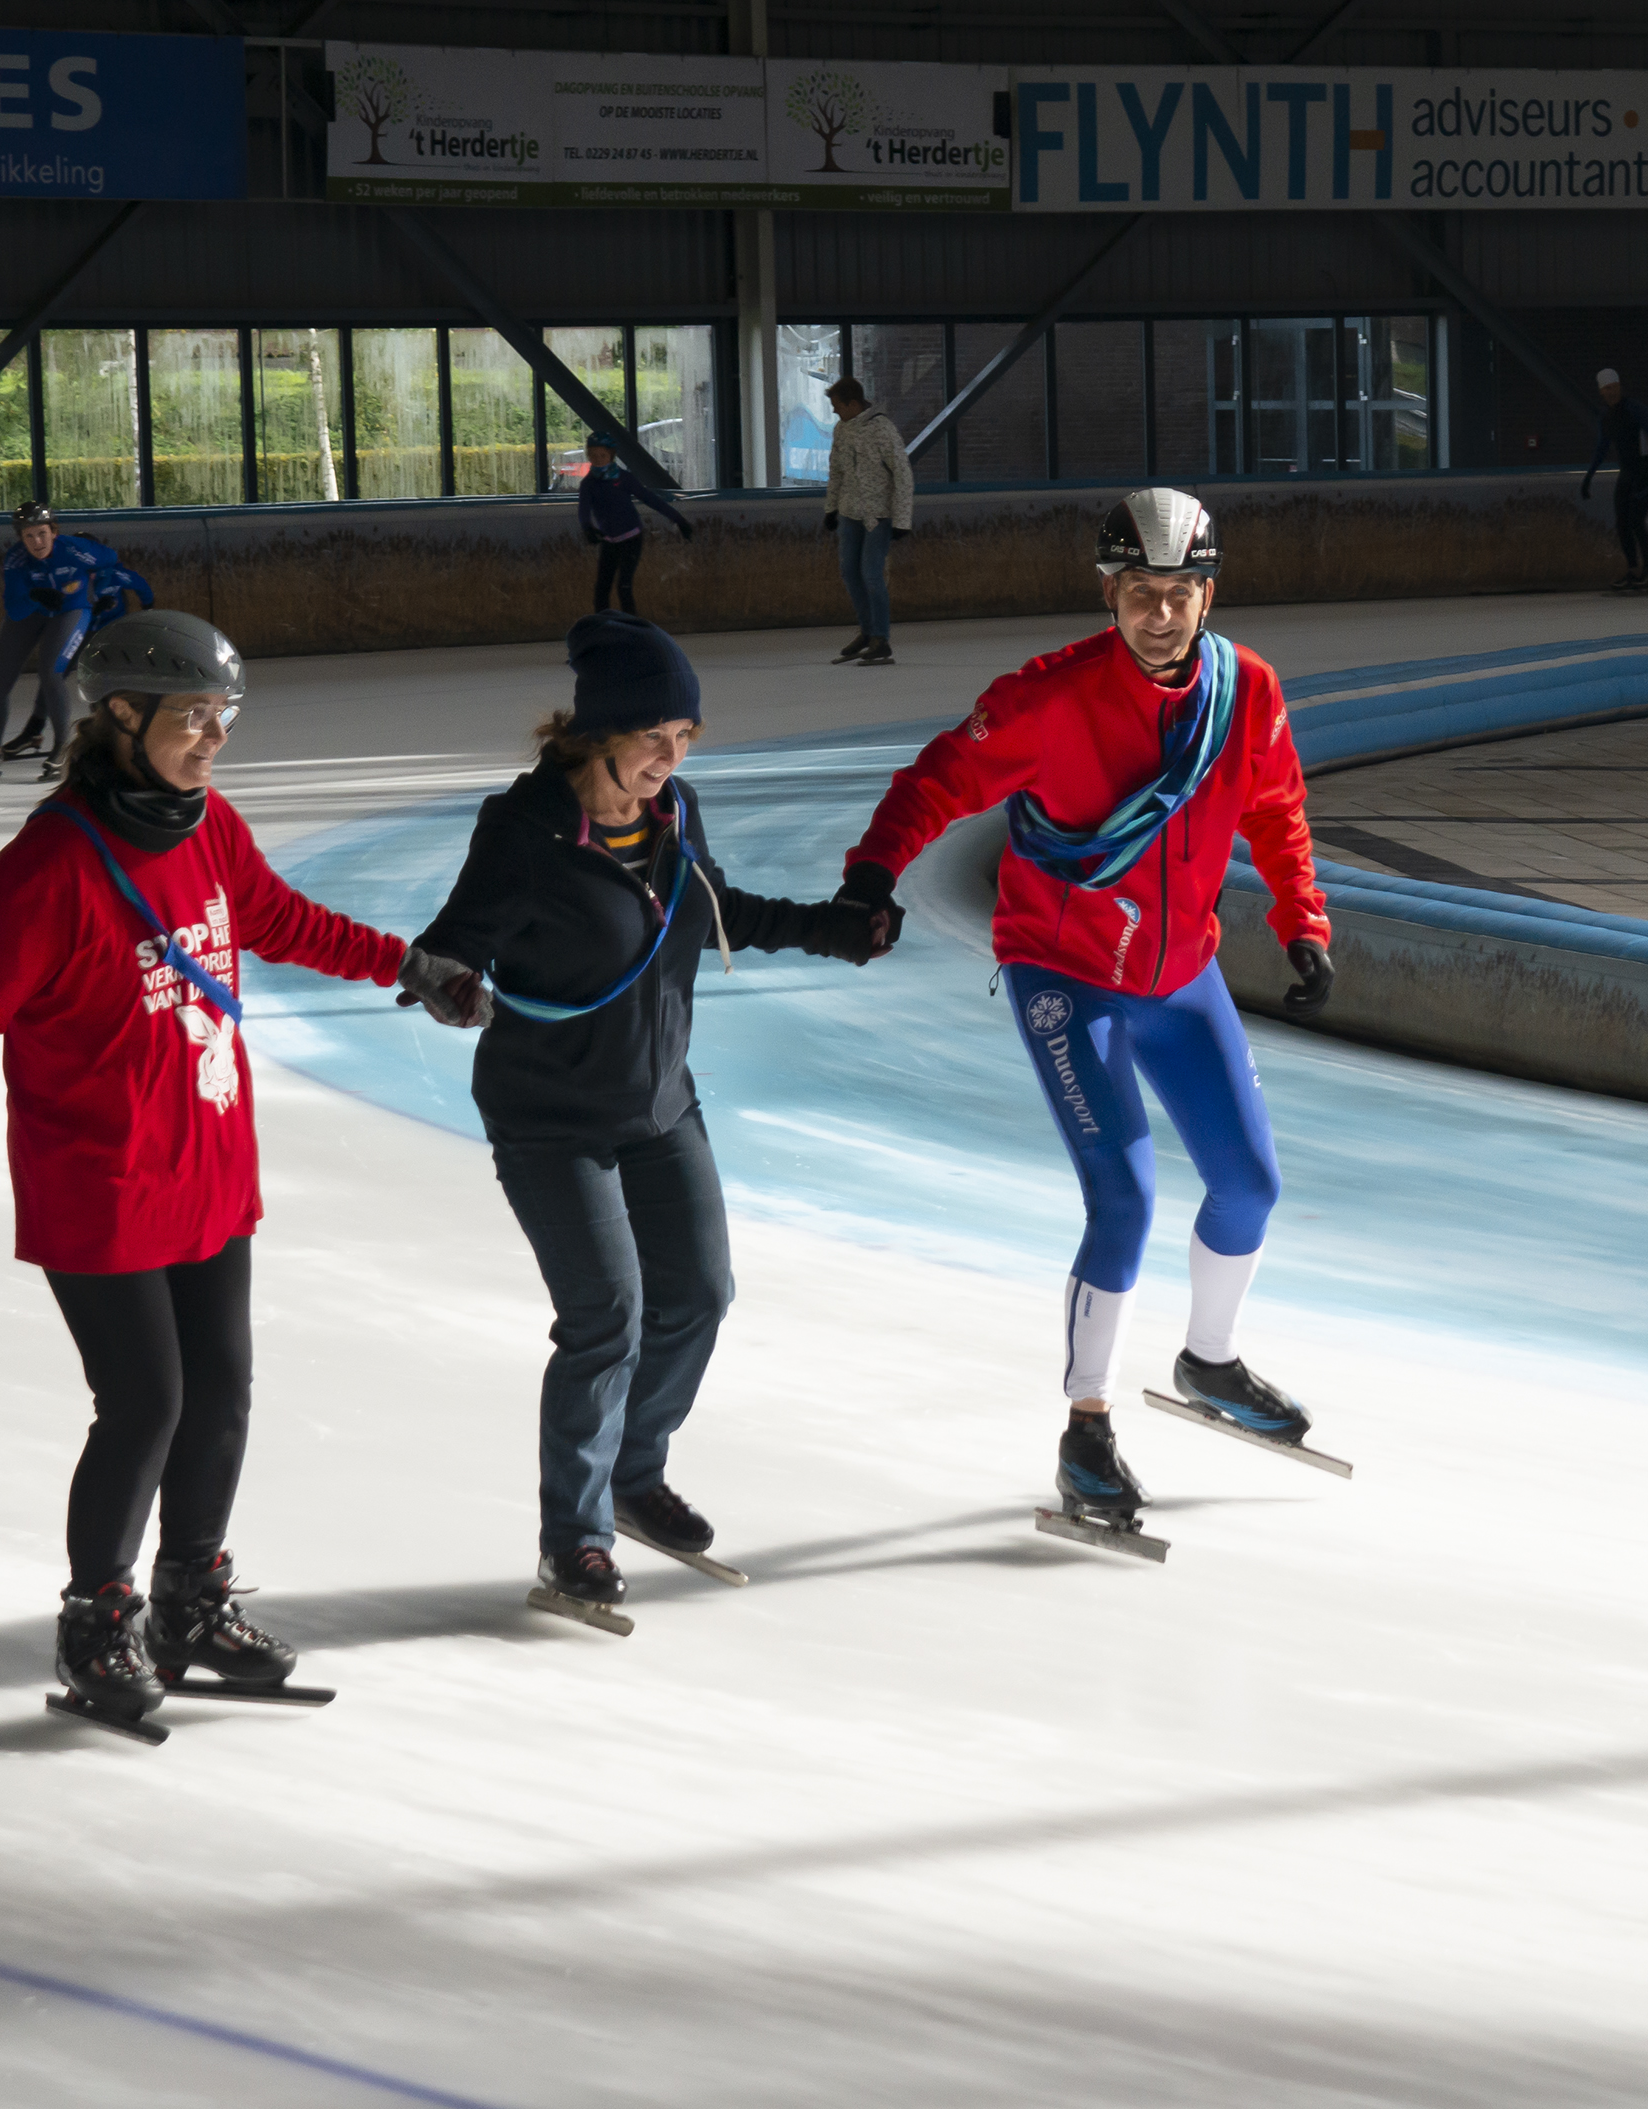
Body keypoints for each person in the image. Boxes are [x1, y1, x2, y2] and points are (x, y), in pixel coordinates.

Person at [0, 609, 491, 1734]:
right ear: (119, 715)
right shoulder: (47, 865)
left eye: (224, 717)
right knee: (144, 1402)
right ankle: (96, 1620)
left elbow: (278, 920)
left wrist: (409, 965)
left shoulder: (207, 828)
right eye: (194, 717)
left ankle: (188, 1602)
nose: (214, 738)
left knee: (221, 1392)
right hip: (97, 1178)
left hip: (204, 1159)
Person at [833, 489, 1335, 1537]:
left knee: (1249, 1182)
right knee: (1125, 1200)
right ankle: (1086, 1427)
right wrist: (870, 875)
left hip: (1177, 973)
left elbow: (1277, 808)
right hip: (1065, 972)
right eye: (1139, 594)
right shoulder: (1046, 700)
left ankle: (1209, 1361)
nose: (1160, 615)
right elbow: (938, 778)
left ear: (1211, 592)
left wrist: (1305, 924)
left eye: (1181, 594)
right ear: (1108, 593)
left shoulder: (1246, 692)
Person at [410, 614, 887, 1621]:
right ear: (596, 736)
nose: (670, 760)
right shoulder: (524, 831)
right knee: (606, 1319)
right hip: (550, 1119)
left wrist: (829, 932)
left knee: (700, 1296)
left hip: (661, 1101)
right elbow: (452, 940)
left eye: (686, 740)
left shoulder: (674, 815)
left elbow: (712, 909)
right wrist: (450, 981)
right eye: (652, 740)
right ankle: (574, 1539)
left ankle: (634, 1470)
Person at [0, 502, 154, 784]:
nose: (37, 542)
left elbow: (110, 558)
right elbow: (14, 608)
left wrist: (93, 587)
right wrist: (35, 595)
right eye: (29, 536)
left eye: (42, 533)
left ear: (54, 531)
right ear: (20, 538)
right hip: (32, 611)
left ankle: (62, 747)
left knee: (52, 673)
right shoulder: (16, 560)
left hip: (71, 610)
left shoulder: (74, 550)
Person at [821, 376, 913, 667]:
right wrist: (831, 508)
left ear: (853, 403)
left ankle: (881, 639)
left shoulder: (882, 429)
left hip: (878, 515)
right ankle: (867, 632)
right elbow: (836, 470)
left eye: (837, 406)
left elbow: (902, 473)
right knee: (849, 571)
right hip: (850, 512)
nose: (835, 412)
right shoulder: (841, 430)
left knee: (871, 573)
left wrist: (902, 519)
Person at [574, 432, 695, 615]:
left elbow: (650, 499)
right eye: (593, 456)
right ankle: (602, 628)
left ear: (611, 456)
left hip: (631, 538)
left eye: (602, 455)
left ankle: (633, 627)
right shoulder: (588, 484)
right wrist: (587, 528)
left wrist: (679, 520)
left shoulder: (623, 478)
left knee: (624, 586)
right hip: (609, 541)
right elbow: (583, 510)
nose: (598, 460)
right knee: (601, 588)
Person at [1579, 369, 1648, 594]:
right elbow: (1601, 448)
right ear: (1601, 391)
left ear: (1620, 386)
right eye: (1607, 388)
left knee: (1636, 521)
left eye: (1614, 387)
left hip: (1644, 471)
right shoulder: (1606, 417)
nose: (1611, 392)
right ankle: (1633, 570)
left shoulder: (1635, 409)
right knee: (1622, 523)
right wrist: (1588, 477)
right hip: (1627, 473)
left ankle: (1646, 571)